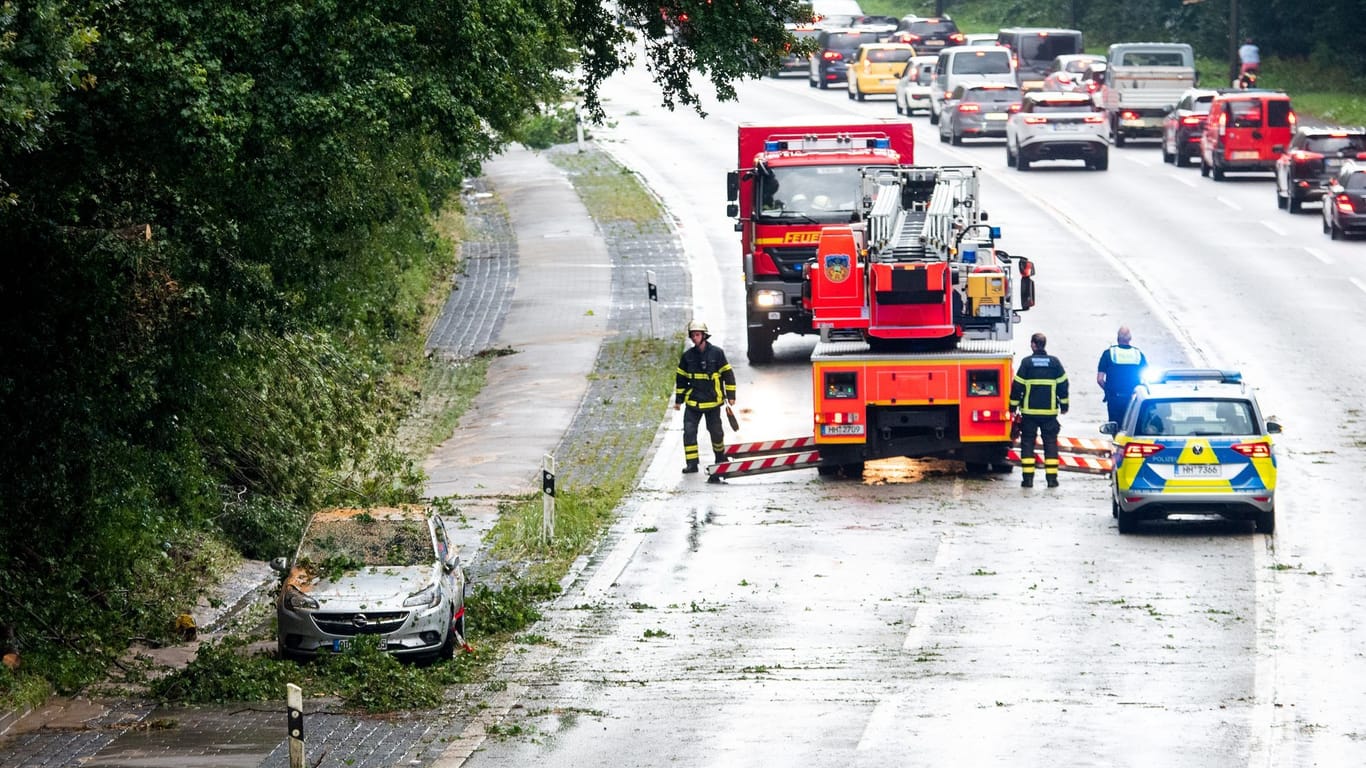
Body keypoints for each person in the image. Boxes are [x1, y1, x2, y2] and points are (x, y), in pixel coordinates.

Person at [674, 320, 736, 474]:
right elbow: (681, 379)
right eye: (692, 335)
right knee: (689, 432)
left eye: (697, 335)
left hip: (712, 402)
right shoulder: (687, 357)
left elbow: (728, 375)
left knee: (716, 432)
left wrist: (731, 396)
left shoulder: (717, 353)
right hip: (693, 403)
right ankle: (692, 464)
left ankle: (720, 457)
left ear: (704, 336)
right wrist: (678, 400)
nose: (694, 338)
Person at [1010, 332, 1069, 488]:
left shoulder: (1027, 363)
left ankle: (1028, 480)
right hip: (1049, 414)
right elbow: (1063, 385)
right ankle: (1052, 479)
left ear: (1033, 345)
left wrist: (1012, 406)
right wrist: (1064, 406)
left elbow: (1017, 387)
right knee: (1050, 445)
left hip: (1029, 414)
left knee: (1027, 444)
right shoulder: (1054, 363)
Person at [1096, 326, 1148, 424]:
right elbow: (1146, 379)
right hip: (1134, 400)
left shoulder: (1108, 354)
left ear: (1117, 338)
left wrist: (1109, 391)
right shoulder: (1138, 354)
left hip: (1115, 399)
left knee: (1115, 429)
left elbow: (1100, 379)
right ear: (1130, 338)